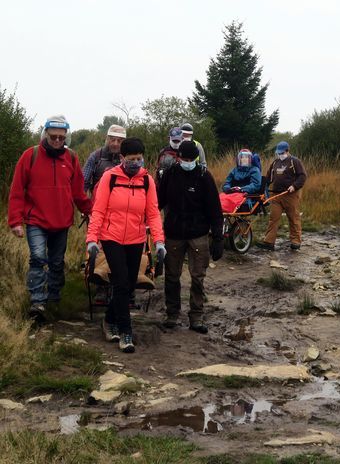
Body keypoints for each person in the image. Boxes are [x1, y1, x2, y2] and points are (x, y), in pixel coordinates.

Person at [8, 115, 93, 319]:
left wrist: (91, 210)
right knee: (37, 258)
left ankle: (53, 298)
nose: (56, 141)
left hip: (61, 221)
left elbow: (78, 192)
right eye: (53, 136)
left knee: (56, 262)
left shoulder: (71, 158)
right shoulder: (30, 156)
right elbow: (17, 190)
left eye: (60, 138)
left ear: (66, 138)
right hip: (36, 220)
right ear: (45, 134)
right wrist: (15, 221)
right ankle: (37, 302)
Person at [86, 138, 165, 353]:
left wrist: (159, 241)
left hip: (136, 239)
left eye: (139, 159)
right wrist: (92, 239)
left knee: (129, 284)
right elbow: (98, 211)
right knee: (121, 284)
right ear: (122, 158)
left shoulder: (147, 181)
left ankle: (109, 319)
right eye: (132, 159)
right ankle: (125, 332)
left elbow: (153, 214)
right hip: (111, 238)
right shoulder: (109, 179)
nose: (136, 163)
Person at [157, 141, 224, 334]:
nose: (187, 162)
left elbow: (215, 210)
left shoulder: (204, 177)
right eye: (183, 159)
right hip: (174, 232)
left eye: (190, 159)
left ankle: (196, 316)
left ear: (196, 159)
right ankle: (172, 314)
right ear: (177, 158)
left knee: (197, 277)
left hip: (198, 233)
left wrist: (218, 238)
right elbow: (158, 202)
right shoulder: (170, 174)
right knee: (171, 276)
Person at [256, 141, 307, 251]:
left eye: (282, 153)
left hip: (291, 195)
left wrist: (294, 186)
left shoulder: (295, 162)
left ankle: (295, 241)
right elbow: (269, 177)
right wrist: (264, 186)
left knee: (294, 218)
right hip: (276, 195)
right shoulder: (275, 163)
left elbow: (302, 176)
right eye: (278, 153)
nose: (280, 155)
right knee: (273, 218)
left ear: (287, 151)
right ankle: (269, 242)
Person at [83, 124, 127, 194]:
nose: (115, 143)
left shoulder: (129, 158)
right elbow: (84, 182)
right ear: (107, 139)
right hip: (98, 202)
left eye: (119, 141)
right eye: (112, 140)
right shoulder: (96, 156)